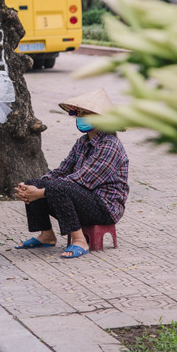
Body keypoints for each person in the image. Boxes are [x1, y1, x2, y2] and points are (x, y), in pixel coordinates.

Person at [14, 88, 129, 258]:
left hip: (105, 207)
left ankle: (80, 241)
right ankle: (46, 235)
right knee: (34, 182)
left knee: (59, 187)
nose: (80, 117)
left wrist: (42, 192)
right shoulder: (82, 142)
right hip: (82, 197)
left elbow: (84, 180)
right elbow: (63, 170)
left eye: (86, 113)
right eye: (79, 113)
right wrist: (34, 187)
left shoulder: (110, 145)